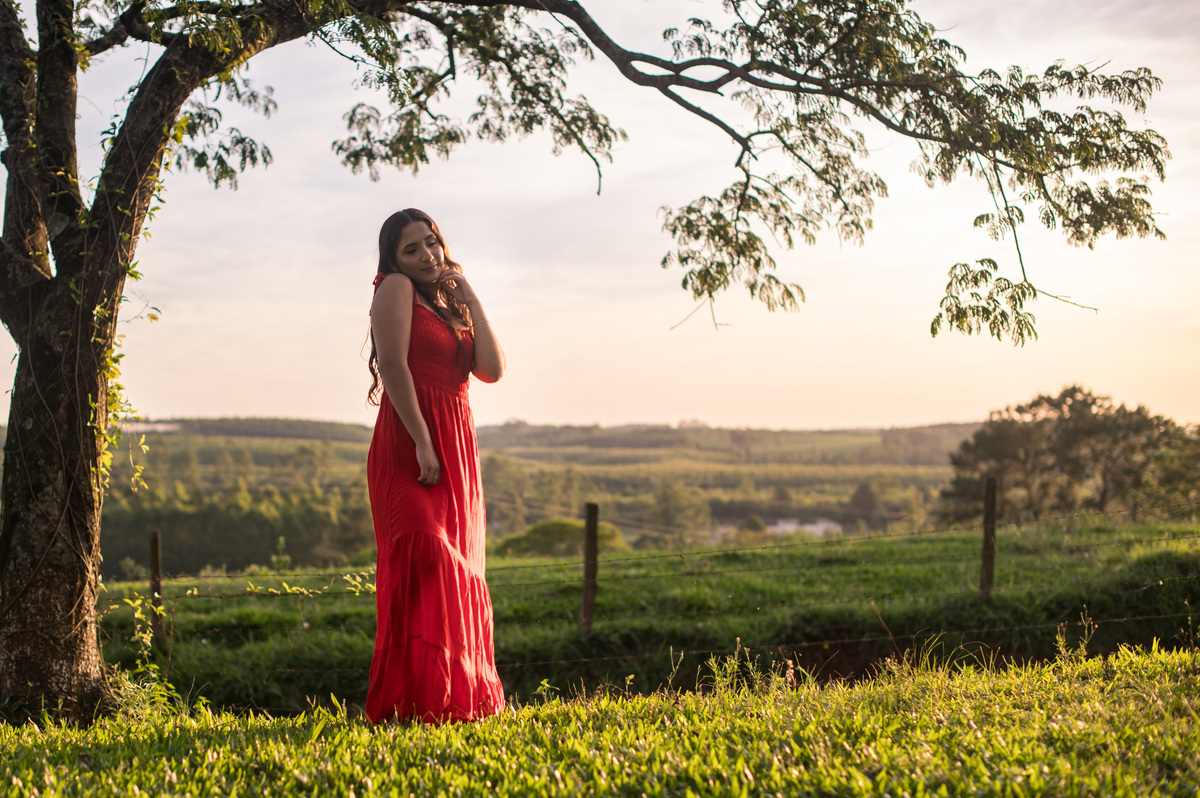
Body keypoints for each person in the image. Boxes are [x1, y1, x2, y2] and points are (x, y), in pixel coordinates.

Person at [364, 208, 506, 723]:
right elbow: (394, 366)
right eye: (412, 249)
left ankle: (449, 699)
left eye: (432, 242)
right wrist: (423, 442)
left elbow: (491, 370)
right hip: (411, 441)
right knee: (425, 557)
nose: (427, 255)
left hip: (457, 442)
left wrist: (471, 299)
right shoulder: (395, 288)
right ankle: (411, 699)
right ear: (394, 258)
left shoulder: (448, 303)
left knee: (457, 570)